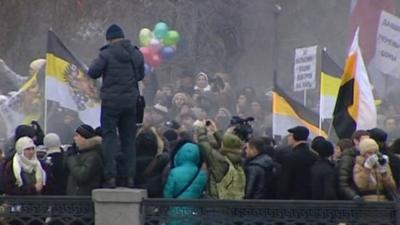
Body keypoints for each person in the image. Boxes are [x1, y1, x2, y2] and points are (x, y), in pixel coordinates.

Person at [87, 24, 144, 188]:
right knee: (129, 140)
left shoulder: (106, 54)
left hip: (110, 104)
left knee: (110, 139)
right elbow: (140, 75)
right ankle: (130, 178)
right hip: (130, 103)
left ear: (109, 38)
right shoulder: (136, 54)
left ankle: (110, 177)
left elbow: (93, 72)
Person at [278, 126, 317, 199]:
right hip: (310, 199)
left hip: (293, 200)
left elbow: (285, 182)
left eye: (290, 135)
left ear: (295, 137)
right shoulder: (314, 156)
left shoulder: (289, 157)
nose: (288, 138)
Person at [65, 124, 103, 195]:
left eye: (77, 136)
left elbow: (81, 176)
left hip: (83, 200)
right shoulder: (79, 153)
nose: (74, 138)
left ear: (84, 137)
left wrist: (71, 158)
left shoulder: (93, 156)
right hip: (74, 198)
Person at [337, 130, 369, 200]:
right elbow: (343, 182)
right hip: (355, 200)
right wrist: (354, 196)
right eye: (364, 140)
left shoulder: (369, 156)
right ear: (356, 141)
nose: (367, 143)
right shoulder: (348, 158)